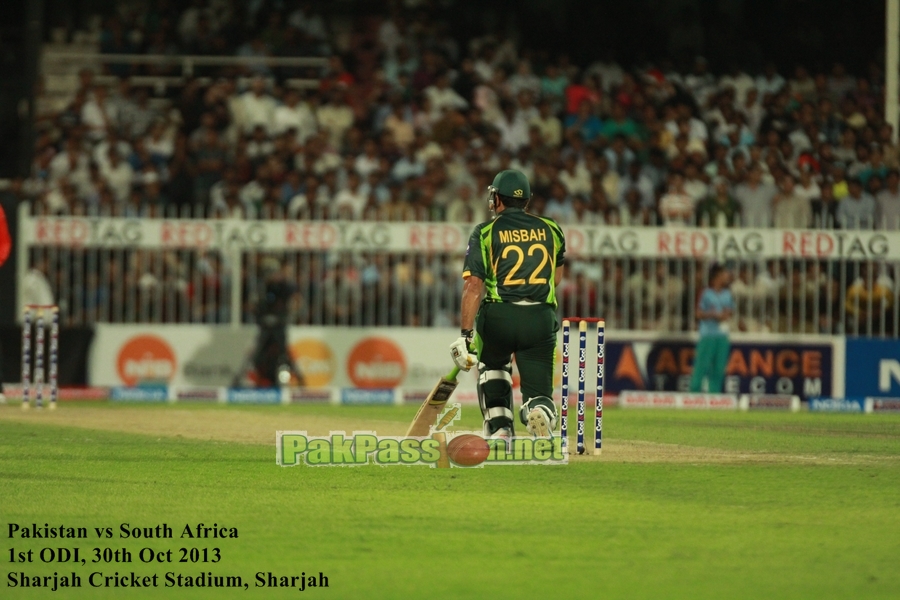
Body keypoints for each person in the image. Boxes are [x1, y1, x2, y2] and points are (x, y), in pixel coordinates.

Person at [450, 169, 566, 441]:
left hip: (500, 316)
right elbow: (555, 278)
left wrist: (466, 335)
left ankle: (501, 427)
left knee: (493, 368)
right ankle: (538, 411)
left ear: (496, 200)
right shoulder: (552, 228)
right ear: (526, 200)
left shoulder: (486, 232)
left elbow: (474, 286)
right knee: (539, 390)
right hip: (540, 317)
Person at [689, 264, 734, 394]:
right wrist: (713, 315)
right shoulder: (705, 293)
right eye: (724, 274)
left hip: (722, 335)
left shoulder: (727, 294)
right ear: (717, 277)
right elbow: (698, 313)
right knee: (701, 366)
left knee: (719, 369)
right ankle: (694, 394)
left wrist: (726, 314)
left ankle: (714, 396)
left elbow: (730, 311)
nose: (727, 276)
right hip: (708, 334)